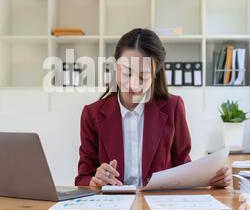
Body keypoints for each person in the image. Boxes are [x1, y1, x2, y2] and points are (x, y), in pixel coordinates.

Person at [74, 28, 231, 188]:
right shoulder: (92, 114)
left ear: (154, 75)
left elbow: (184, 169)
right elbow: (83, 178)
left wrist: (214, 179)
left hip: (157, 209)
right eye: (127, 73)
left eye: (143, 76)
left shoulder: (173, 107)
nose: (133, 84)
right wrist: (95, 181)